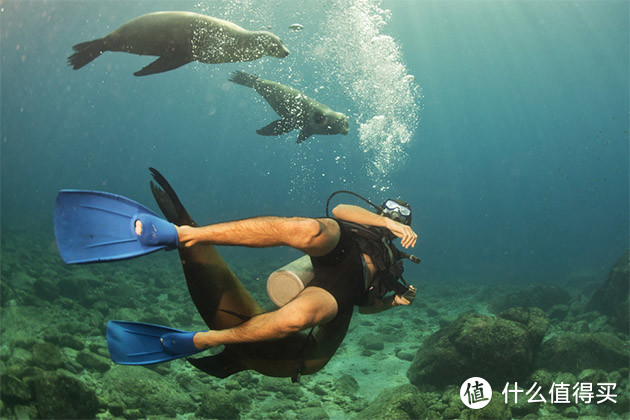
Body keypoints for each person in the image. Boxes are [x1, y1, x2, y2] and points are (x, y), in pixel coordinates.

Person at [174, 198, 419, 351]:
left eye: (402, 215)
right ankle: (185, 234)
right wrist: (385, 223)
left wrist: (394, 302)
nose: (395, 215)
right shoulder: (367, 219)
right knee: (308, 228)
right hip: (341, 246)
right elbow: (340, 209)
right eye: (391, 208)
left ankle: (209, 339)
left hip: (346, 285)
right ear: (381, 209)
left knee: (295, 319)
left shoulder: (395, 260)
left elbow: (367, 307)